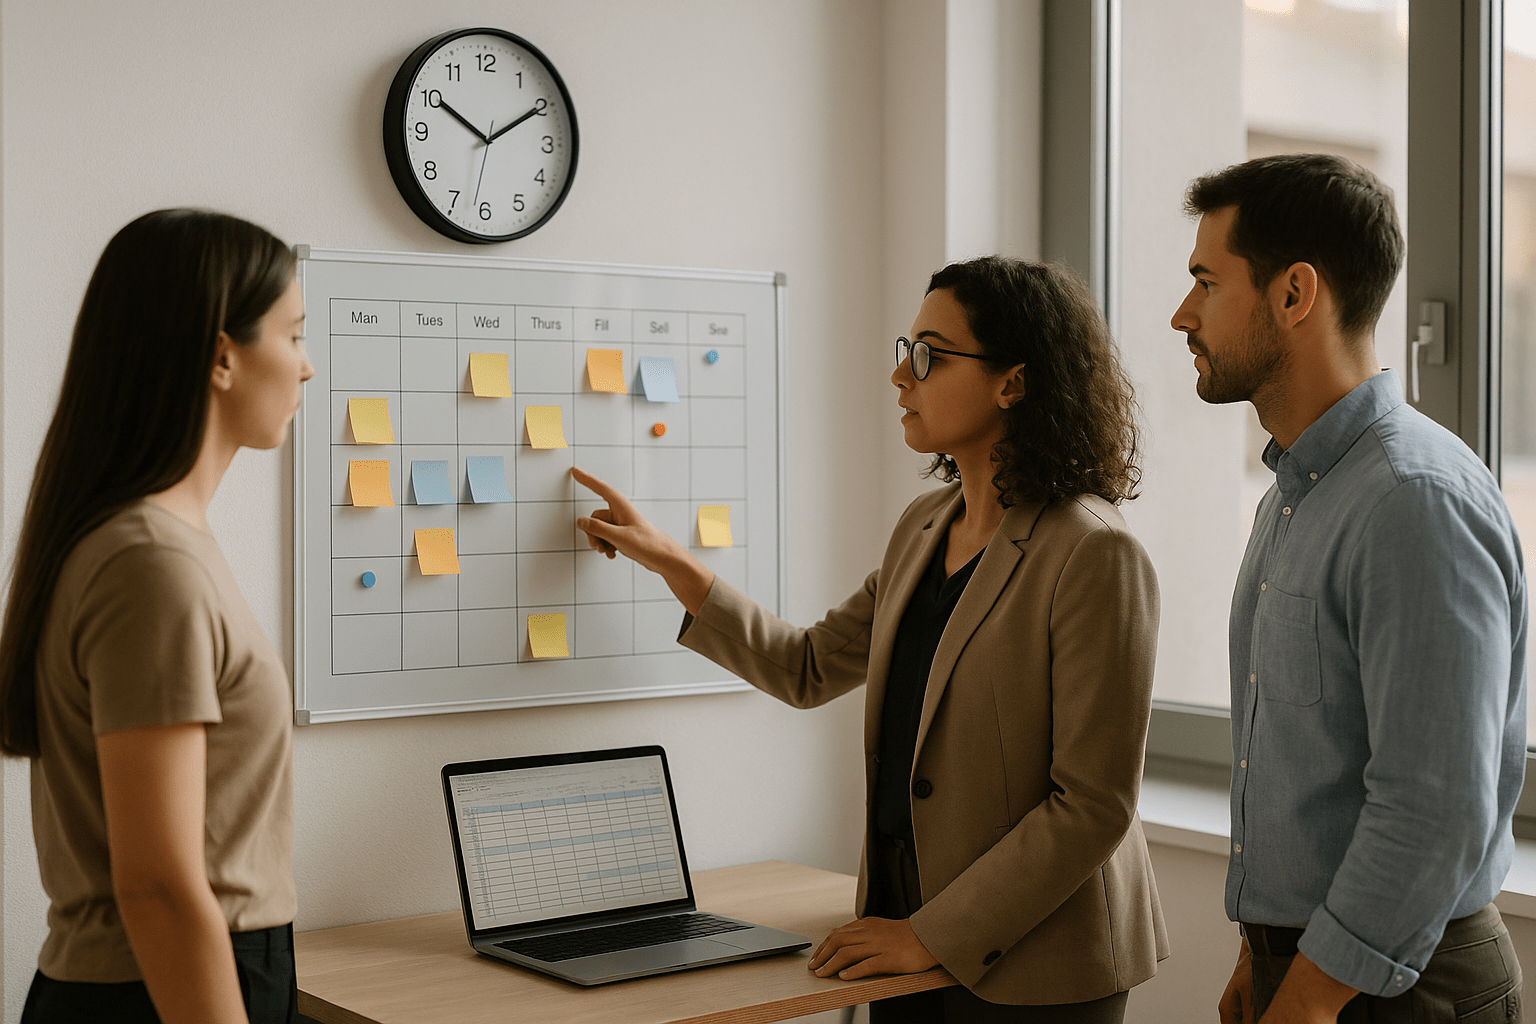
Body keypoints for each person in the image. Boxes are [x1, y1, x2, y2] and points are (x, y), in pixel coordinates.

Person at [573, 256, 1166, 1023]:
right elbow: (809, 666)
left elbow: (1091, 805)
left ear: (1011, 383)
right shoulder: (923, 527)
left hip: (1033, 967)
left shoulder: (1093, 552)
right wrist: (673, 562)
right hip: (897, 937)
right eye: (905, 348)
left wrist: (931, 935)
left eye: (929, 354)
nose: (900, 376)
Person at [1171, 154, 1527, 1024]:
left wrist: (1310, 993)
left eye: (1206, 284)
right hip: (1313, 968)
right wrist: (1263, 953)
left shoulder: (1414, 501)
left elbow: (1432, 804)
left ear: (1295, 294)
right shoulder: (1296, 497)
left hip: (1401, 987)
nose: (1182, 315)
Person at [0, 209, 313, 1023]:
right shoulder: (151, 565)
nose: (307, 370)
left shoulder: (157, 543)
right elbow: (162, 887)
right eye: (294, 336)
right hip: (163, 988)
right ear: (221, 355)